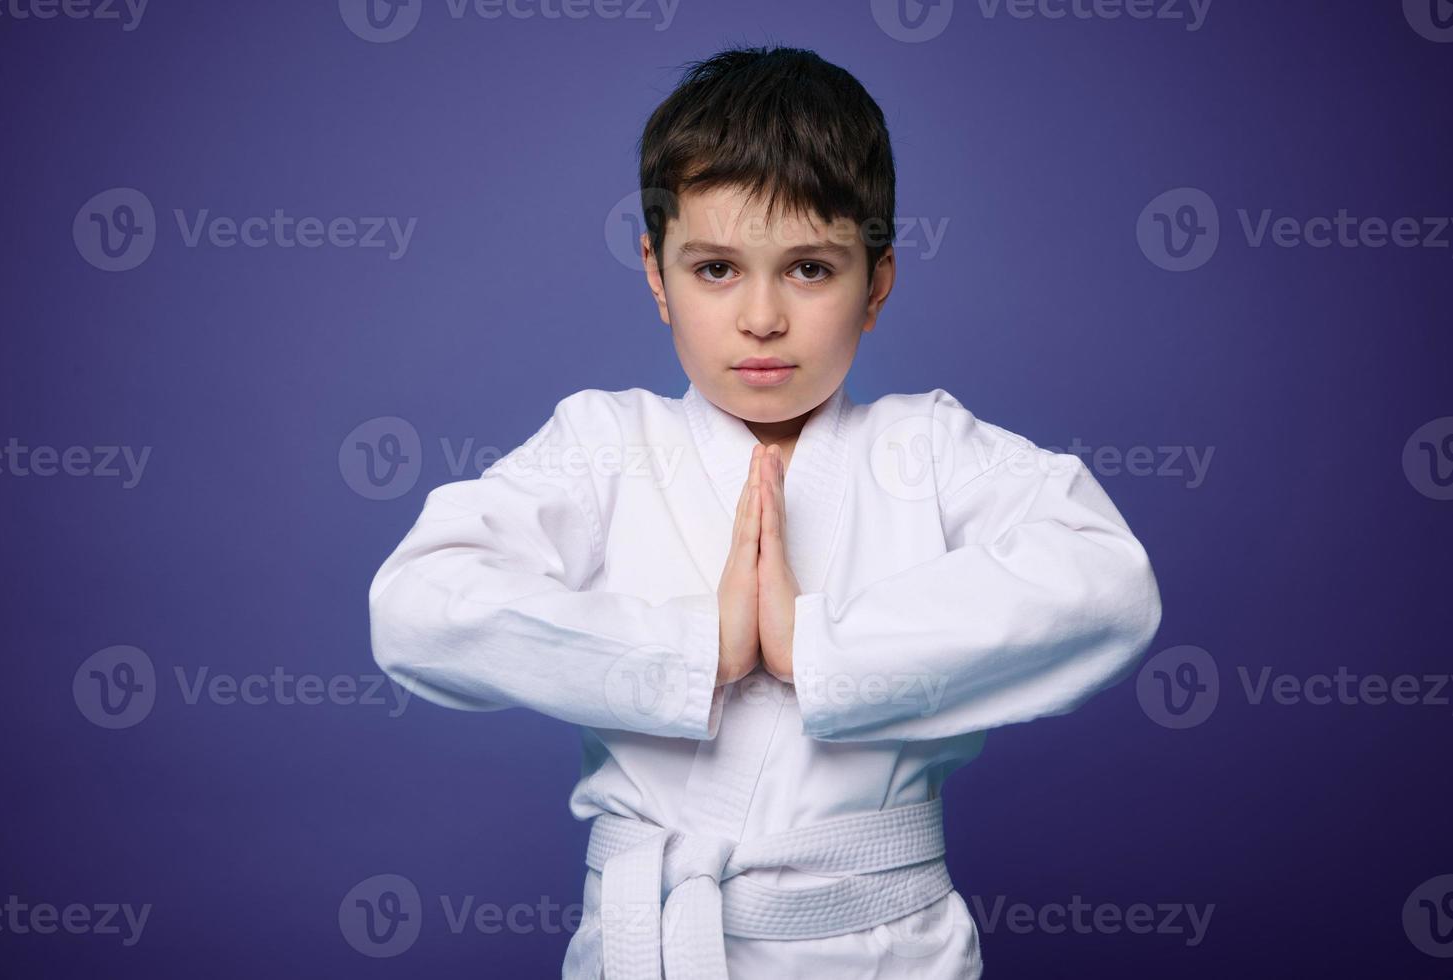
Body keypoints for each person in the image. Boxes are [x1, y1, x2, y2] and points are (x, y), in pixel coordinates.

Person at [368, 44, 1163, 980]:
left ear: (877, 281)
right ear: (655, 275)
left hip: (885, 952)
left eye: (809, 270)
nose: (760, 317)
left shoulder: (928, 449)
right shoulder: (604, 444)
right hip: (652, 944)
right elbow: (417, 605)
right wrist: (694, 649)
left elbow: (1109, 587)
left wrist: (815, 644)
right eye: (713, 269)